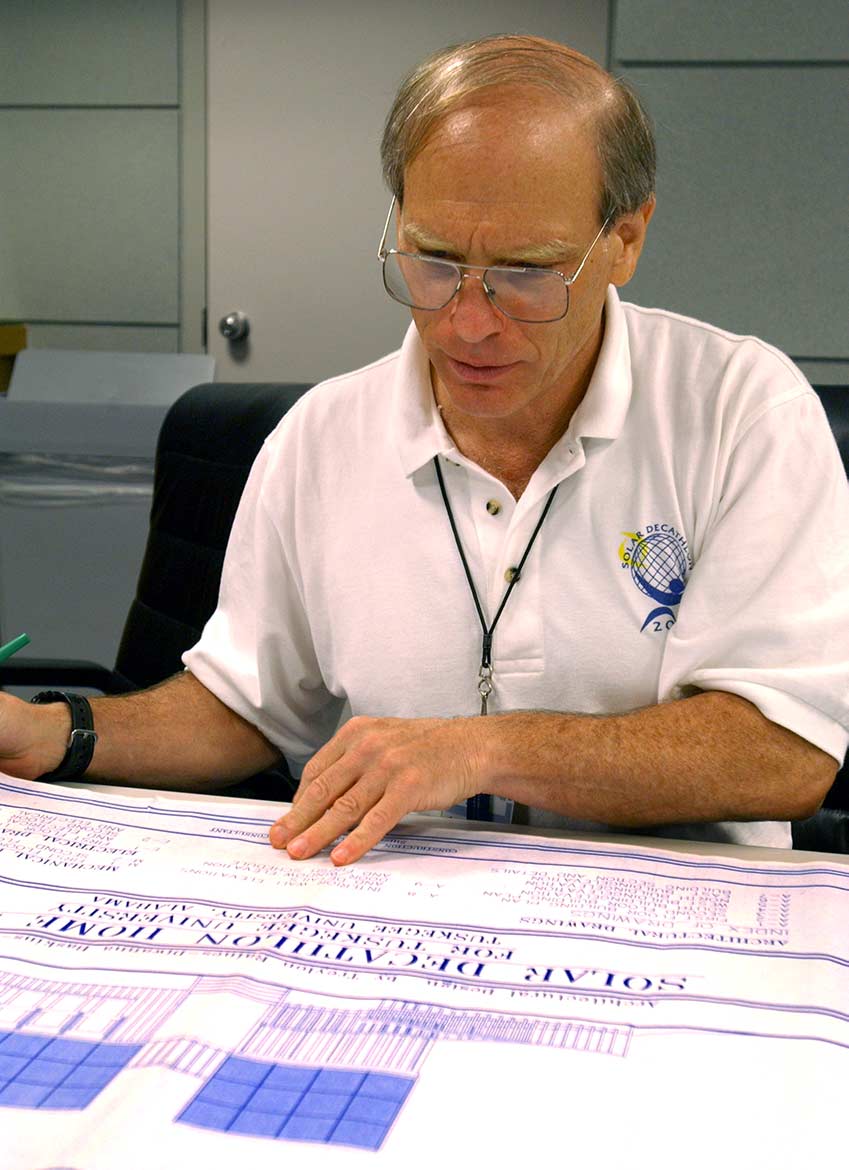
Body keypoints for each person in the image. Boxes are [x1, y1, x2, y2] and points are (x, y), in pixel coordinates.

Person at [3, 35, 847, 865]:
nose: (468, 323)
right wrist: (52, 731)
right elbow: (247, 707)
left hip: (675, 934)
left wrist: (478, 749)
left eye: (527, 271)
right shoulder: (322, 435)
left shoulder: (741, 410)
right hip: (396, 912)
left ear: (625, 239)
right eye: (433, 262)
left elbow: (783, 750)